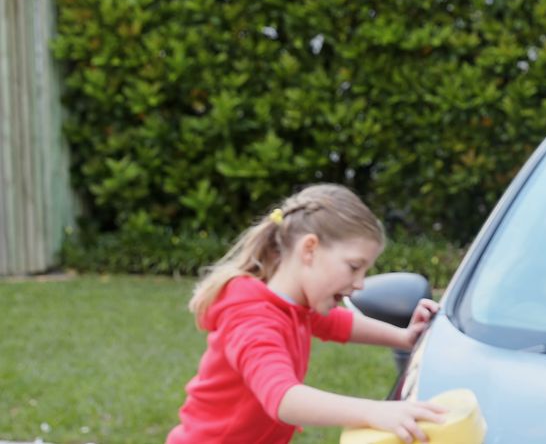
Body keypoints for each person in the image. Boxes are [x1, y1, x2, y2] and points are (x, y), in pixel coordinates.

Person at [167, 183, 445, 443]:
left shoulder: (294, 306)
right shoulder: (253, 317)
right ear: (309, 249)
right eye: (353, 266)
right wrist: (373, 411)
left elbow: (338, 323)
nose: (360, 283)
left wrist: (405, 338)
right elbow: (283, 398)